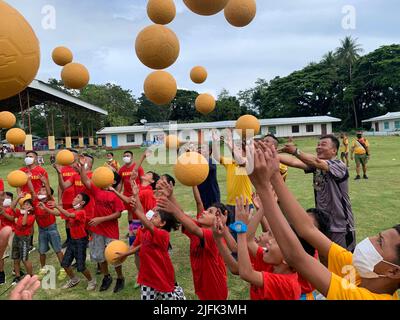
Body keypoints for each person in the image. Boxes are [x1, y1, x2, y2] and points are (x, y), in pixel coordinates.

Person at [249, 141, 400, 300]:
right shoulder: (357, 270)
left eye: (380, 242)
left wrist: (263, 187)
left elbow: (296, 256)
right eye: (377, 235)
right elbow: (308, 229)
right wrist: (273, 176)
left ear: (393, 271)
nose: (370, 239)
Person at [279, 135, 356, 252]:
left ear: (334, 150)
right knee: (324, 259)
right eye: (318, 145)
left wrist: (295, 151)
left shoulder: (339, 166)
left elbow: (315, 161)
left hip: (341, 227)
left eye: (323, 145)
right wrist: (270, 154)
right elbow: (295, 162)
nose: (319, 147)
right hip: (322, 224)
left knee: (343, 262)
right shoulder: (316, 167)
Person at [157, 181, 229, 301]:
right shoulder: (200, 229)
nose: (204, 212)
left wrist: (173, 209)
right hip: (202, 284)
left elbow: (193, 227)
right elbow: (183, 217)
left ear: (218, 220)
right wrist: (171, 196)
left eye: (209, 212)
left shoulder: (214, 236)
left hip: (215, 289)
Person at [117, 181, 184, 300]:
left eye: (155, 216)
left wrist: (133, 206)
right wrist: (126, 253)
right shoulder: (146, 231)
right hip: (147, 277)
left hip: (162, 276)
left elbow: (144, 219)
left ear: (163, 223)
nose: (151, 216)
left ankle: (178, 291)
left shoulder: (162, 235)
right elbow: (141, 245)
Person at [79, 159, 126, 293]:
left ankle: (120, 277)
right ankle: (106, 277)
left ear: (113, 181)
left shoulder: (115, 196)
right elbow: (85, 181)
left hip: (110, 231)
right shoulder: (97, 190)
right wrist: (82, 167)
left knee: (114, 255)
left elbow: (118, 214)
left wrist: (101, 219)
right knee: (100, 255)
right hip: (97, 230)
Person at [42, 193, 97, 290]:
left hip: (81, 241)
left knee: (81, 266)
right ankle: (74, 279)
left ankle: (91, 281)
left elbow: (68, 214)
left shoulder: (81, 213)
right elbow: (58, 213)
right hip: (72, 240)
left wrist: (57, 206)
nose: (74, 198)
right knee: (65, 263)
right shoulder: (73, 210)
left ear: (82, 202)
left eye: (78, 197)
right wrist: (45, 208)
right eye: (75, 196)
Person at [211, 129, 254, 236]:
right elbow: (216, 158)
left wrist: (230, 144)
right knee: (232, 233)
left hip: (245, 205)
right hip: (230, 204)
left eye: (239, 148)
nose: (237, 150)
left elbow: (241, 161)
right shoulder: (231, 162)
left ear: (245, 152)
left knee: (243, 234)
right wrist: (215, 142)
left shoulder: (248, 163)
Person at [33, 179, 65, 282]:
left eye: (43, 190)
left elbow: (57, 213)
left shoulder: (50, 201)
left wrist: (45, 183)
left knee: (57, 250)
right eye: (39, 190)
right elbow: (33, 192)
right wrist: (28, 180)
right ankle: (43, 269)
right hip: (42, 230)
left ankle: (64, 268)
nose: (39, 192)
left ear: (48, 193)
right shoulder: (36, 202)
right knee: (42, 251)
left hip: (52, 229)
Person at [117, 151, 145, 232]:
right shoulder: (121, 169)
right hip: (127, 195)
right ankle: (132, 229)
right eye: (124, 155)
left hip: (137, 194)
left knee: (138, 211)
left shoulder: (137, 167)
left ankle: (141, 228)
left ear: (132, 157)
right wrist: (118, 194)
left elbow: (142, 180)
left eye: (128, 155)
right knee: (130, 212)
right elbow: (120, 183)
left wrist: (141, 191)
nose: (126, 157)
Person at [10, 195, 36, 283]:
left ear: (31, 207)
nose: (25, 206)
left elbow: (24, 223)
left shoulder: (32, 216)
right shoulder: (20, 213)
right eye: (24, 204)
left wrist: (25, 212)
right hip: (16, 237)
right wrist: (18, 197)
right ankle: (18, 276)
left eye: (28, 204)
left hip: (24, 239)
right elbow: (12, 207)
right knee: (16, 257)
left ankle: (30, 276)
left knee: (24, 259)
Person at [58, 149, 79, 249]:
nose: (72, 157)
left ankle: (82, 238)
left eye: (73, 156)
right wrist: (59, 200)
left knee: (79, 219)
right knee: (67, 220)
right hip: (66, 199)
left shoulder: (79, 168)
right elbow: (60, 186)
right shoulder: (63, 169)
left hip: (78, 199)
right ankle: (69, 239)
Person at [197, 143, 221, 209]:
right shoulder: (196, 162)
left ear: (209, 151)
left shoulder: (211, 161)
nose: (199, 149)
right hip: (201, 194)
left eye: (203, 148)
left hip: (212, 195)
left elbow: (204, 166)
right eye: (199, 148)